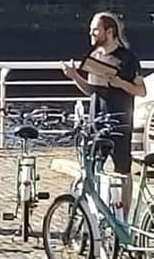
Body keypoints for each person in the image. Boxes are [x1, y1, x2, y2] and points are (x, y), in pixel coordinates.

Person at [62, 11, 146, 217]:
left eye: (95, 29)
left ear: (109, 31)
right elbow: (92, 90)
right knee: (93, 170)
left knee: (122, 172)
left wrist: (120, 83)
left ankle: (123, 220)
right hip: (96, 121)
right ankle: (96, 217)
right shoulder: (94, 56)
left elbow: (141, 91)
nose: (91, 33)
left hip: (119, 122)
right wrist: (74, 76)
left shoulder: (126, 58)